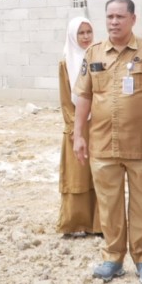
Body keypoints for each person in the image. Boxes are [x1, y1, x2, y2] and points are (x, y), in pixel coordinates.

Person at [73, 0, 142, 284]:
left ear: (133, 19)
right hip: (102, 144)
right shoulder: (93, 54)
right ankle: (113, 259)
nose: (114, 22)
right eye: (109, 17)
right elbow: (84, 96)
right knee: (109, 204)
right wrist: (79, 135)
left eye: (120, 17)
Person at [57, 17, 103, 237]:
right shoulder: (66, 63)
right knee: (77, 173)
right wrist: (74, 130)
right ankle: (76, 223)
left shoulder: (100, 57)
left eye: (89, 32)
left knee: (102, 173)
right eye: (81, 33)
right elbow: (67, 100)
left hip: (101, 124)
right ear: (73, 36)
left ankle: (100, 224)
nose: (85, 37)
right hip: (77, 126)